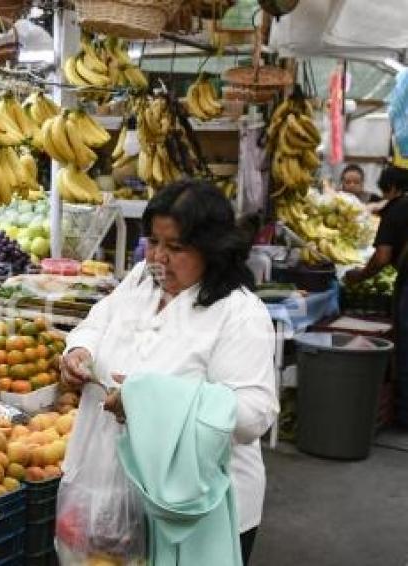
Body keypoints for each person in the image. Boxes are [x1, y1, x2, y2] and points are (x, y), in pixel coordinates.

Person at [61, 180, 279, 566]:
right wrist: (80, 349)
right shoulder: (143, 280)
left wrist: (151, 402)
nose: (159, 258)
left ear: (213, 250)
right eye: (153, 242)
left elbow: (253, 416)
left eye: (175, 248)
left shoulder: (240, 314)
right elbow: (99, 320)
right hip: (116, 495)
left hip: (195, 505)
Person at [345, 165, 408, 425]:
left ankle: (404, 416)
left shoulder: (395, 210)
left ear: (390, 189)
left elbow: (382, 257)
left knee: (406, 350)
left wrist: (358, 276)